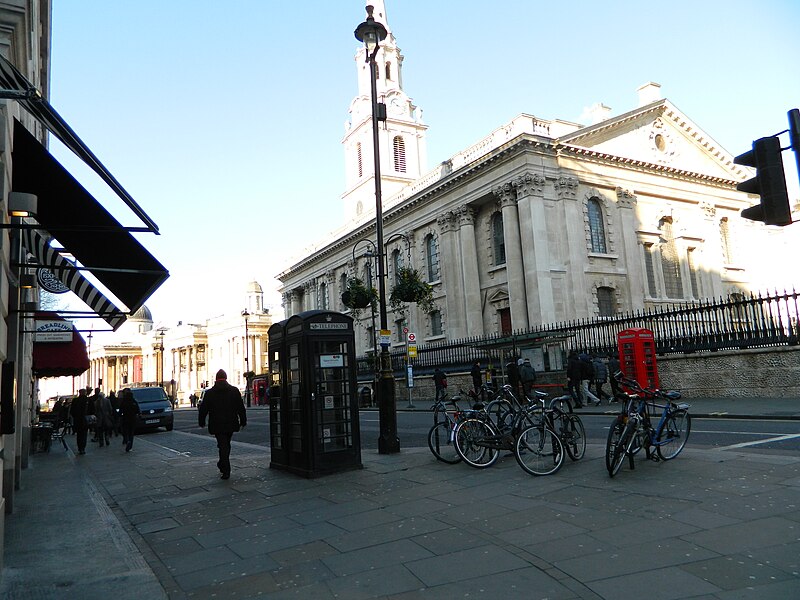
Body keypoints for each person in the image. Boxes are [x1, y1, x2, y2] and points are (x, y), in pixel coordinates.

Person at [198, 369, 247, 480]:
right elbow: (240, 408)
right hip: (231, 423)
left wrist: (201, 421)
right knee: (226, 444)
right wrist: (243, 421)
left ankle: (224, 468)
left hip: (217, 424)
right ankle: (223, 465)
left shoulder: (210, 393)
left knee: (223, 445)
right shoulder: (234, 391)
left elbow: (203, 409)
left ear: (216, 379)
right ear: (226, 378)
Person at [70, 388, 90, 455]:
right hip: (85, 420)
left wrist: (75, 416)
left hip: (77, 420)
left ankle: (80, 448)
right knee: (84, 434)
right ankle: (83, 448)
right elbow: (92, 410)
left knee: (79, 435)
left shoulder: (75, 400)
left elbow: (71, 411)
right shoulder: (87, 400)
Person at [119, 388, 140, 452]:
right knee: (131, 433)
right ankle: (130, 445)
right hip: (132, 419)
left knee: (125, 431)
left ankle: (127, 440)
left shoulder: (124, 401)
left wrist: (120, 415)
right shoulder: (134, 401)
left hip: (125, 418)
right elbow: (137, 410)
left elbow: (120, 410)